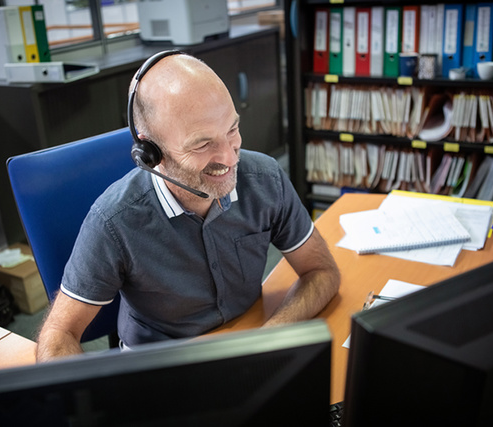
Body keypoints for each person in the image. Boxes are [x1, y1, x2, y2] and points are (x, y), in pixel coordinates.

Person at [36, 52, 340, 362]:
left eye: (232, 130)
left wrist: (269, 337)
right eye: (202, 144)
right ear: (150, 151)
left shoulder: (265, 178)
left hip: (243, 341)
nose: (231, 158)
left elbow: (320, 271)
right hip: (162, 366)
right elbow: (59, 335)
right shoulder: (114, 222)